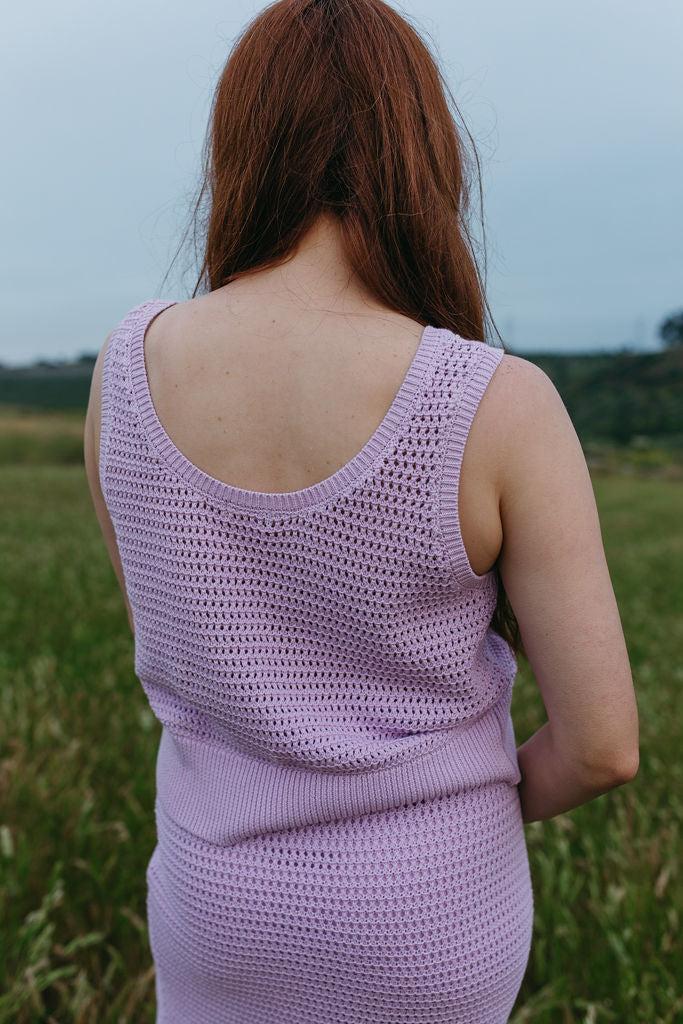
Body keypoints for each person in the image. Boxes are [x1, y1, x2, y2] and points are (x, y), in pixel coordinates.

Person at [83, 1, 639, 1021]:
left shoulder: (124, 373)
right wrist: (450, 813)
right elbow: (601, 744)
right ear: (421, 153)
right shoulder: (494, 401)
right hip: (434, 919)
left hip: (216, 910)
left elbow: (187, 653)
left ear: (241, 147)